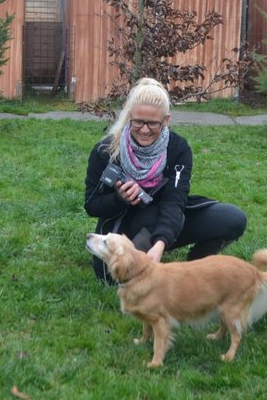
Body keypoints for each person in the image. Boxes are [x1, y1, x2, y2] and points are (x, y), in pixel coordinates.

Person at [84, 78, 247, 284]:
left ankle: (197, 265)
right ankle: (141, 252)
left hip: (168, 218)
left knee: (233, 219)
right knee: (110, 278)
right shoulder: (105, 151)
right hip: (126, 224)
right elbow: (91, 205)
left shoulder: (179, 149)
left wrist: (160, 244)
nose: (144, 130)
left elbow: (174, 201)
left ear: (166, 120)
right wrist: (119, 198)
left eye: (152, 123)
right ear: (129, 117)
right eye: (138, 122)